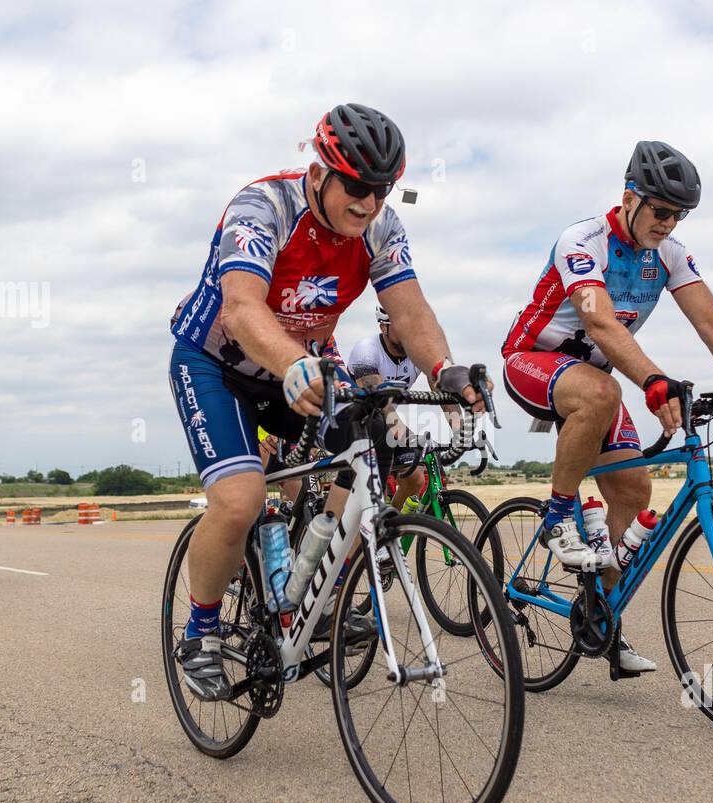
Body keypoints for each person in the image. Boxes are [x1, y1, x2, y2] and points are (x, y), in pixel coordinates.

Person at [168, 103, 487, 700]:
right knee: (239, 502)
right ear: (319, 173)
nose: (369, 204)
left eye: (383, 190)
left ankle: (321, 590)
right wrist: (291, 363)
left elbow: (411, 310)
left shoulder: (381, 228)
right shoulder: (262, 207)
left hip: (308, 362)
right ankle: (201, 630)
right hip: (219, 363)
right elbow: (241, 308)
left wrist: (445, 370)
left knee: (383, 441)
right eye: (358, 188)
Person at [502, 140, 713, 673]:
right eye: (662, 210)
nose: (669, 223)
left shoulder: (668, 254)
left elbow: (710, 321)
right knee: (603, 391)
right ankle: (556, 519)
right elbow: (597, 322)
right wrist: (652, 380)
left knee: (634, 490)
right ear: (629, 198)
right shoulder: (583, 240)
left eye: (679, 214)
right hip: (533, 359)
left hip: (594, 376)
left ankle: (600, 617)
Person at [346, 304, 429, 509]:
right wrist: (407, 435)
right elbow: (381, 403)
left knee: (415, 478)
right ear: (384, 327)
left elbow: (441, 385)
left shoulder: (417, 352)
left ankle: (393, 521)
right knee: (375, 488)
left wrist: (459, 427)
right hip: (354, 423)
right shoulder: (366, 350)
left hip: (385, 424)